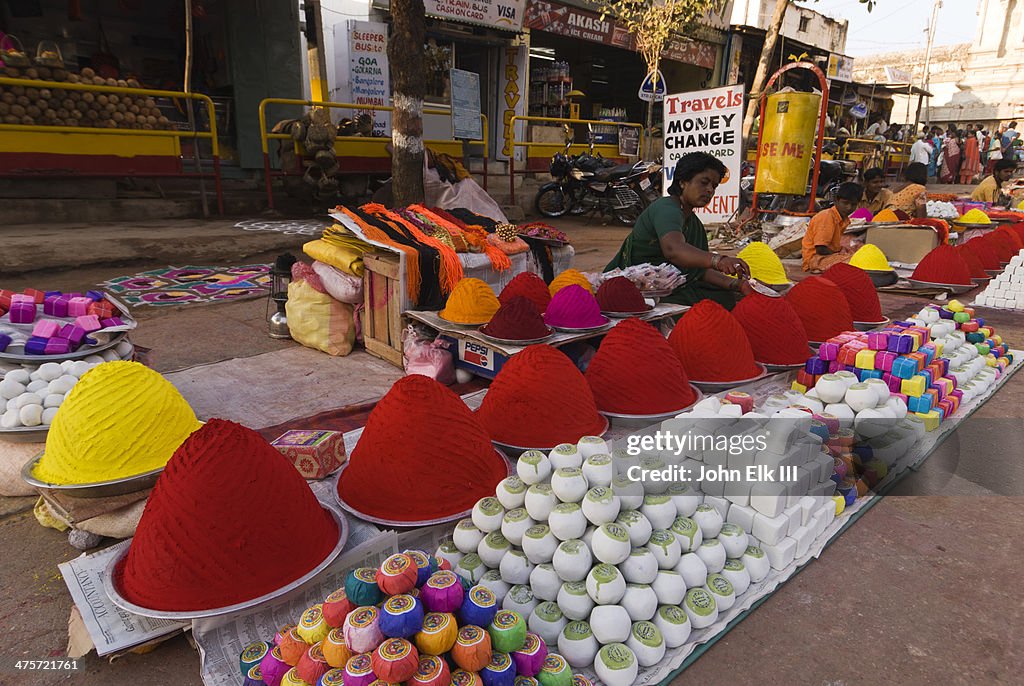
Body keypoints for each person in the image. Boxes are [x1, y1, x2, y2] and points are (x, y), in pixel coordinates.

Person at [606, 152, 751, 309]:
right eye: (704, 182)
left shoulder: (693, 224)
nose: (710, 190)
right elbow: (673, 249)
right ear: (683, 182)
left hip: (668, 285)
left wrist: (738, 284)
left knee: (723, 297)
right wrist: (719, 260)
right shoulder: (666, 208)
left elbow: (699, 271)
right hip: (636, 287)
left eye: (714, 186)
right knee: (697, 311)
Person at [801, 182, 862, 272]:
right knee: (855, 262)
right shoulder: (827, 217)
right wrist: (840, 255)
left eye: (853, 205)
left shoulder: (842, 218)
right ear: (836, 200)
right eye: (845, 203)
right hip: (815, 259)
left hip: (827, 255)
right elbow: (821, 249)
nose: (849, 208)